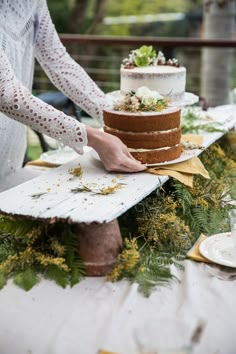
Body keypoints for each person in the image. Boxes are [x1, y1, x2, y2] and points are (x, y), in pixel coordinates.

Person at [0, 0, 145, 185]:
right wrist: (92, 137)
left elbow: (57, 60)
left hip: (12, 147)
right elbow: (5, 93)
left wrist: (113, 116)